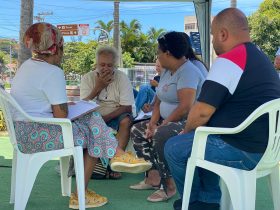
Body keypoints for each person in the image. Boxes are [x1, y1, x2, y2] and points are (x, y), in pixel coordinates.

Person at [10, 23, 151, 209]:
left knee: (90, 120)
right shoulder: (52, 72)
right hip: (38, 136)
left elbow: (44, 105)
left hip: (24, 133)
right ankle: (112, 160)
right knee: (92, 129)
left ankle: (115, 158)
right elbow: (62, 117)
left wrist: (71, 108)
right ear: (57, 47)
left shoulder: (26, 66)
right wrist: (72, 109)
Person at [164, 8, 280, 210]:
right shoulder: (260, 58)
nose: (212, 41)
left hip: (243, 150)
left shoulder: (230, 59)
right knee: (203, 138)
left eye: (212, 35)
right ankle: (207, 201)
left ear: (223, 34)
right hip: (268, 150)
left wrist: (186, 130)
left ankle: (193, 204)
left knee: (175, 147)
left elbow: (201, 112)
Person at [130, 31, 206, 202]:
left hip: (189, 122)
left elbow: (186, 107)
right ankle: (154, 177)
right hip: (167, 120)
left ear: (168, 53)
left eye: (158, 52)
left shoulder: (188, 71)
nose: (157, 56)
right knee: (137, 129)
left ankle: (169, 186)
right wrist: (152, 123)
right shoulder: (166, 71)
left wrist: (162, 125)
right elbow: (158, 101)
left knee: (161, 134)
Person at [80, 46, 136, 179]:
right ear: (96, 64)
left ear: (115, 65)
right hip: (94, 115)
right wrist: (99, 87)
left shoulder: (122, 78)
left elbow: (127, 107)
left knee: (126, 120)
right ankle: (96, 165)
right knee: (85, 121)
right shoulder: (88, 78)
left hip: (116, 114)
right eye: (102, 64)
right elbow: (83, 106)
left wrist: (105, 118)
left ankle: (114, 164)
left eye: (109, 65)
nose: (105, 68)